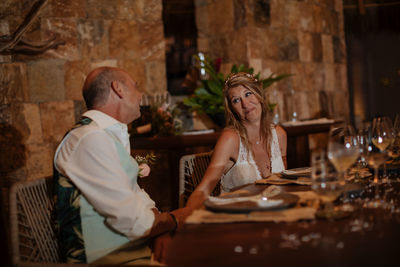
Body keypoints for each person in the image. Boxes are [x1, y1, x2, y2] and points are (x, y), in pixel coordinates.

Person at [53, 66, 190, 264]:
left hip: (133, 250)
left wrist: (161, 232)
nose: (140, 95)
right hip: (108, 258)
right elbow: (132, 220)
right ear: (118, 89)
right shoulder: (89, 138)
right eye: (135, 86)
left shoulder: (105, 136)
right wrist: (176, 219)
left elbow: (136, 198)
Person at [186, 72, 287, 209]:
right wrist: (187, 218)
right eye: (236, 100)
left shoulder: (279, 135)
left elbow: (285, 184)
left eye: (248, 94)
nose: (245, 104)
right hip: (237, 220)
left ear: (259, 95)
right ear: (232, 109)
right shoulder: (230, 139)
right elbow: (204, 189)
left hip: (273, 213)